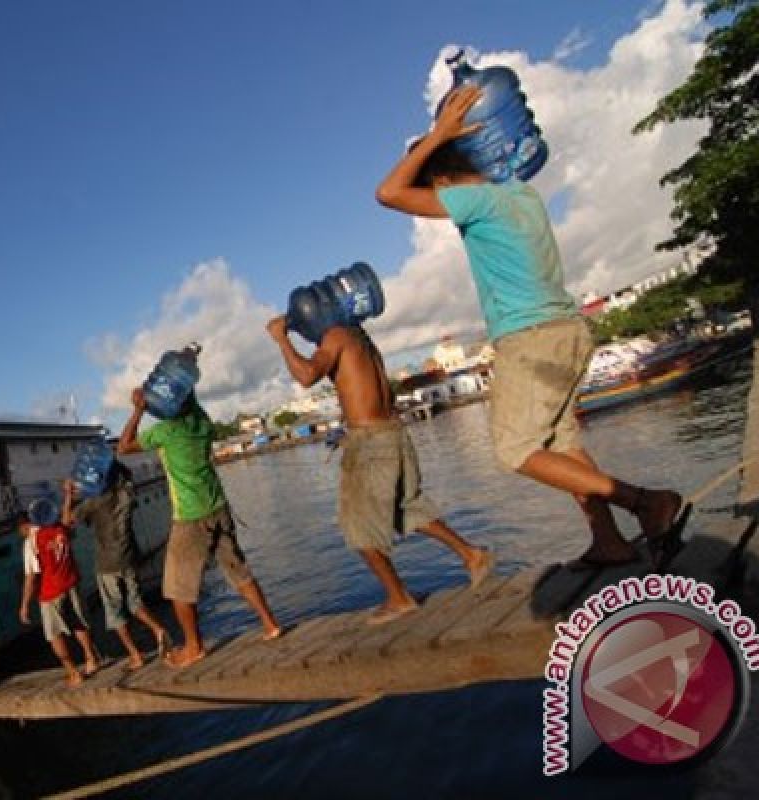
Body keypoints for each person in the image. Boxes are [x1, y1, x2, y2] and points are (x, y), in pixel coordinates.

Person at [375, 84, 687, 569]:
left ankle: (646, 502)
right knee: (562, 445)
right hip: (567, 331)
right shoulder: (519, 193)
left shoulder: (475, 198)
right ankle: (609, 542)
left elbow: (389, 193)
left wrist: (437, 136)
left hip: (532, 338)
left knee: (514, 449)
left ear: (445, 173)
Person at [267, 317, 493, 624]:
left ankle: (399, 598)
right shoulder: (360, 337)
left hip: (371, 442)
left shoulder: (335, 336)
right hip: (393, 433)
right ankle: (472, 555)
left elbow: (307, 376)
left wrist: (281, 339)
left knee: (357, 527)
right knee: (407, 508)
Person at [118, 386, 281, 669]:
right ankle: (270, 624)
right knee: (238, 571)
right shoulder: (202, 420)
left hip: (190, 517)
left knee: (177, 589)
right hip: (219, 508)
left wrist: (138, 410)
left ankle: (194, 647)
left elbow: (123, 447)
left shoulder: (166, 431)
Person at [62, 462, 170, 670]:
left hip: (107, 563)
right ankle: (158, 629)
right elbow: (127, 473)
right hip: (129, 557)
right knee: (135, 602)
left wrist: (68, 494)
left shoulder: (93, 502)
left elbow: (67, 521)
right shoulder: (125, 494)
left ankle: (136, 655)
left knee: (115, 613)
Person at [17, 499, 100, 686]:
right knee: (79, 622)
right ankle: (91, 659)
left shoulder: (32, 541)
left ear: (26, 524)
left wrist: (24, 605)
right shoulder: (60, 530)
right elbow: (67, 520)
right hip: (71, 583)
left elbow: (31, 577)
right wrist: (67, 498)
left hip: (50, 592)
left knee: (54, 634)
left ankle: (73, 672)